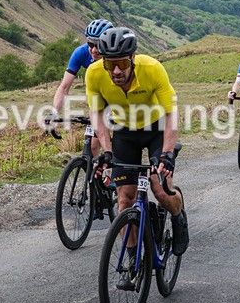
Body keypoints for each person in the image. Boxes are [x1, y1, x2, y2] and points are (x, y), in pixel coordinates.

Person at [86, 27, 187, 287]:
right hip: (125, 132)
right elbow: (97, 115)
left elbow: (171, 114)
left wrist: (166, 154)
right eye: (110, 64)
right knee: (124, 200)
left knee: (160, 189)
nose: (116, 71)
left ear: (132, 58)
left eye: (121, 63)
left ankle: (178, 217)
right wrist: (107, 151)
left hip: (155, 129)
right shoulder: (95, 74)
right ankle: (133, 260)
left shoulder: (153, 69)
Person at [51, 19, 112, 154]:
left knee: (117, 146)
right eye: (90, 44)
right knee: (92, 146)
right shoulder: (81, 53)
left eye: (99, 45)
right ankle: (97, 173)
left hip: (119, 99)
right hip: (97, 100)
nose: (94, 50)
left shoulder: (116, 55)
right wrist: (54, 112)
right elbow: (64, 87)